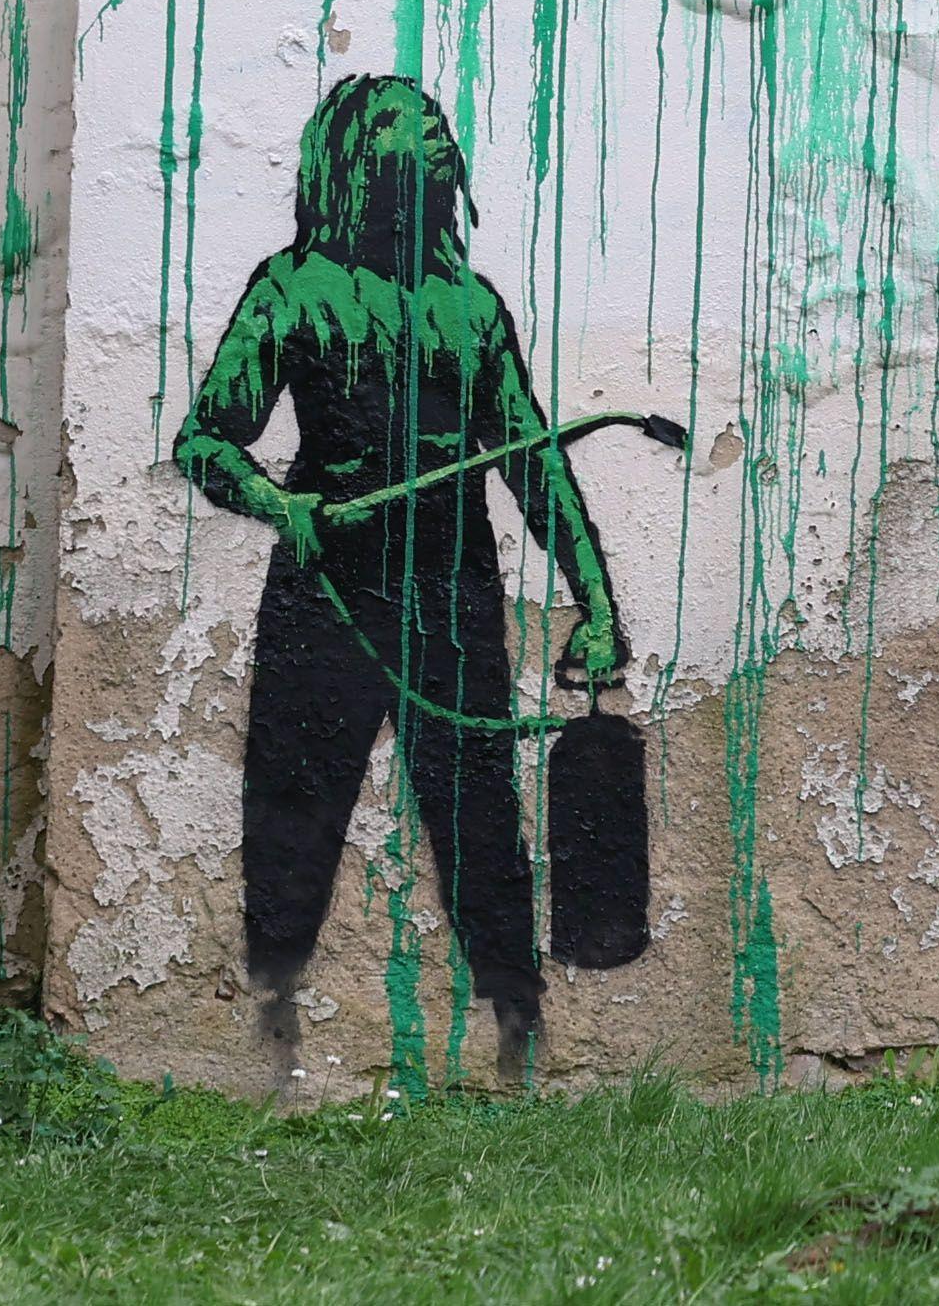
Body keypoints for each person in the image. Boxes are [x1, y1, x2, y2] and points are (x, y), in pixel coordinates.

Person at [174, 72, 626, 1090]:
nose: (420, 137)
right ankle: (271, 1042)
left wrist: (596, 603)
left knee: (478, 822)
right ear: (347, 156)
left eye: (430, 126)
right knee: (293, 816)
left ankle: (518, 1036)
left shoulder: (469, 308)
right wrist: (275, 502)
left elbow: (533, 461)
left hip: (450, 601)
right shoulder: (290, 288)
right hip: (324, 594)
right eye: (393, 125)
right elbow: (207, 439)